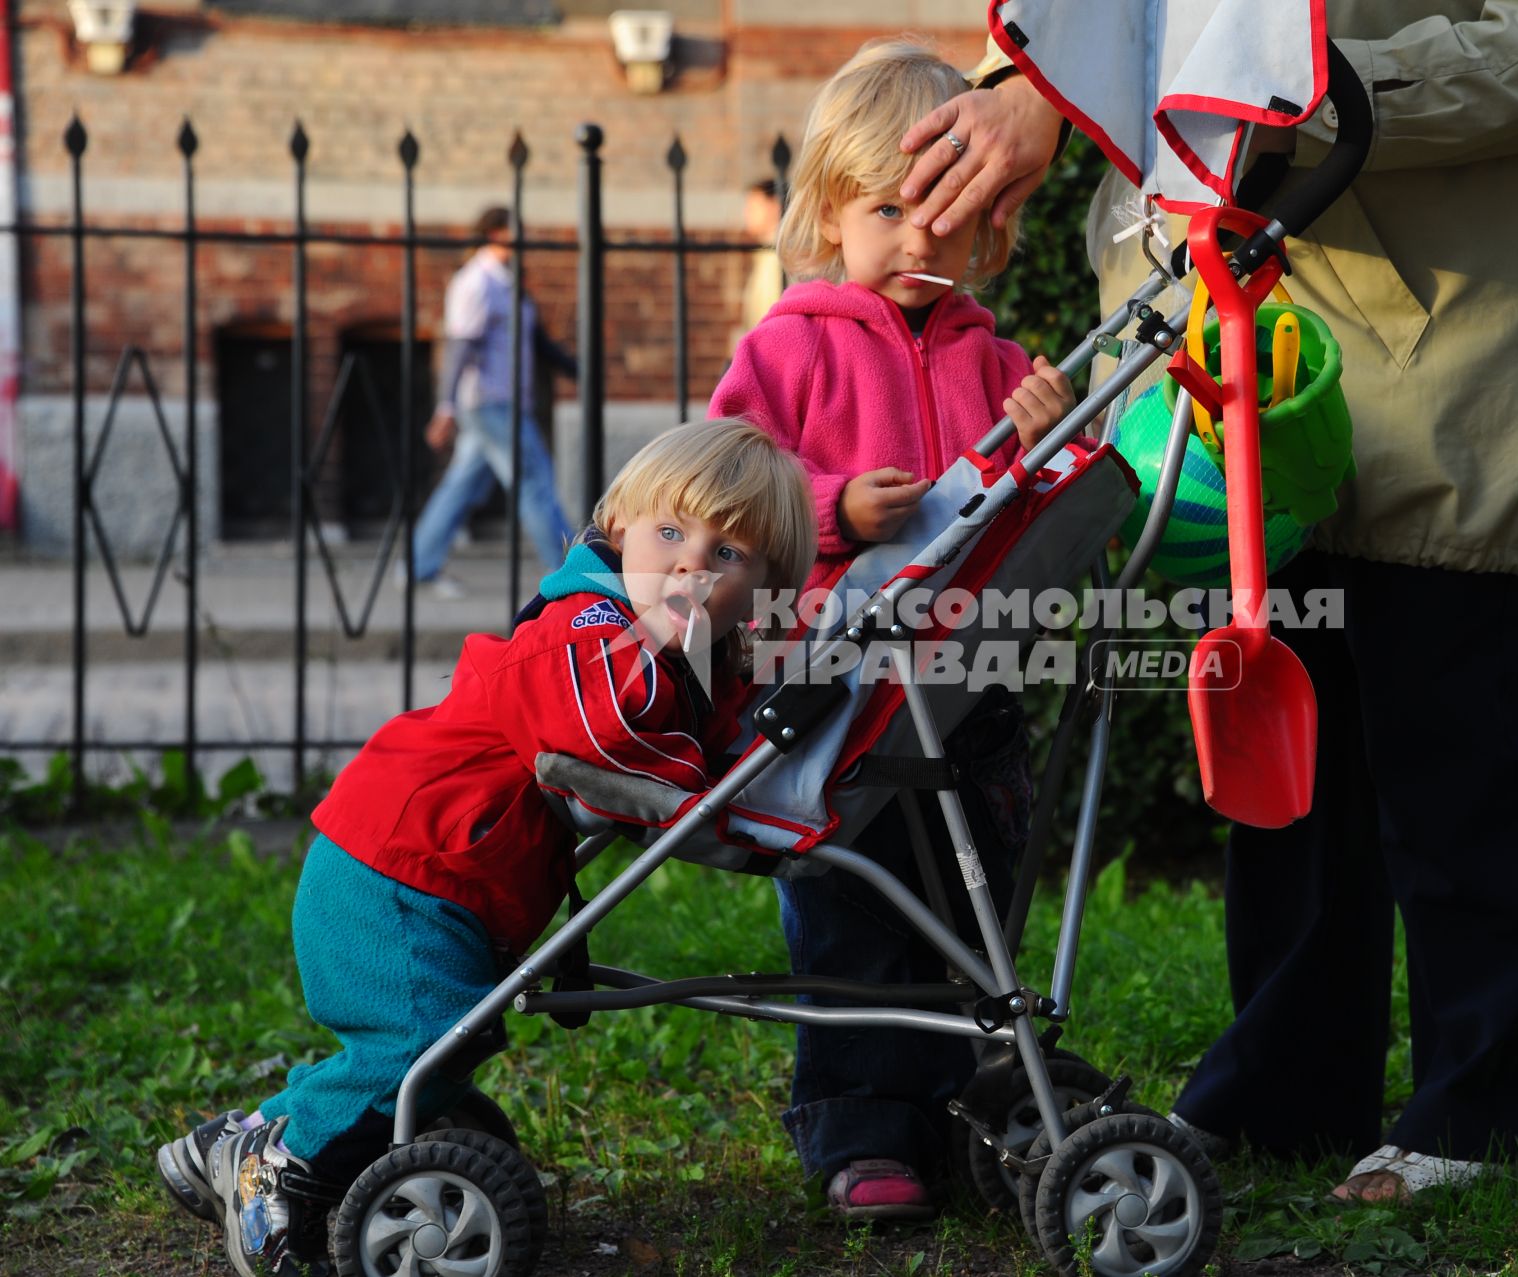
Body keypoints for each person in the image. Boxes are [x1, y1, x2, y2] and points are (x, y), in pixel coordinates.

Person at [897, 0, 1518, 1202]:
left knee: (1456, 736)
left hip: (1443, 317)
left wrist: (1298, 88)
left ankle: (1493, 1104)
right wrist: (1028, 86)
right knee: (1286, 755)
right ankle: (1291, 1085)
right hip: (1231, 303)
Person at [154, 421, 816, 1277]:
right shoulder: (592, 628)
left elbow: (705, 723)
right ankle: (276, 1168)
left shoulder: (686, 662)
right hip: (398, 864)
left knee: (445, 1048)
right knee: (417, 1042)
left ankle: (236, 1136)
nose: (690, 565)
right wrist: (710, 787)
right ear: (620, 525)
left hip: (441, 874)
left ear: (765, 587)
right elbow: (603, 736)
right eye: (670, 533)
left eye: (727, 553)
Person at [710, 37, 1078, 1220]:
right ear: (826, 211)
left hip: (969, 687)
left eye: (949, 211)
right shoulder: (788, 346)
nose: (922, 239)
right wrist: (826, 507)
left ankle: (974, 1101)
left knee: (976, 905)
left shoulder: (997, 355)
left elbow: (1048, 517)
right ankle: (864, 1126)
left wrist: (1048, 434)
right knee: (854, 908)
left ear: (992, 220)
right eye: (889, 209)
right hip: (843, 690)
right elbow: (714, 500)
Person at [406, 205, 577, 600]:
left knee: (461, 485)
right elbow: (460, 348)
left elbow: (537, 343)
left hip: (504, 403)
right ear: (497, 234)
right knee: (534, 481)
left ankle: (419, 565)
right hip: (489, 404)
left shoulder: (508, 283)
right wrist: (445, 408)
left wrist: (578, 368)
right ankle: (570, 573)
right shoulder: (476, 283)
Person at [732, 177, 786, 353]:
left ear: (774, 206)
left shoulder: (780, 256)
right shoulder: (765, 254)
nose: (746, 213)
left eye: (754, 206)